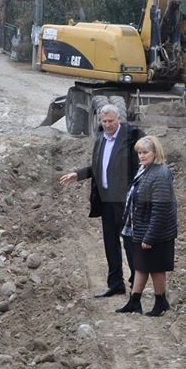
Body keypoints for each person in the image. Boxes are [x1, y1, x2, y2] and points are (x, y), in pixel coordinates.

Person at [59, 103, 144, 298]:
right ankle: (115, 284)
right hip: (105, 199)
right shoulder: (101, 139)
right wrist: (78, 174)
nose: (107, 125)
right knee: (110, 242)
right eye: (104, 121)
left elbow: (143, 164)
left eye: (111, 121)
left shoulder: (132, 137)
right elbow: (98, 166)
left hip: (125, 200)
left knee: (130, 242)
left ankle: (135, 286)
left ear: (119, 119)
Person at [115, 135, 178, 317]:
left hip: (156, 231)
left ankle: (160, 303)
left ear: (155, 152)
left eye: (145, 152)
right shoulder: (146, 170)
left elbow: (161, 209)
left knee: (156, 267)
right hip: (142, 228)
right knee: (142, 266)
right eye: (139, 153)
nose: (141, 156)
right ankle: (135, 301)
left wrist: (150, 236)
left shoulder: (159, 174)